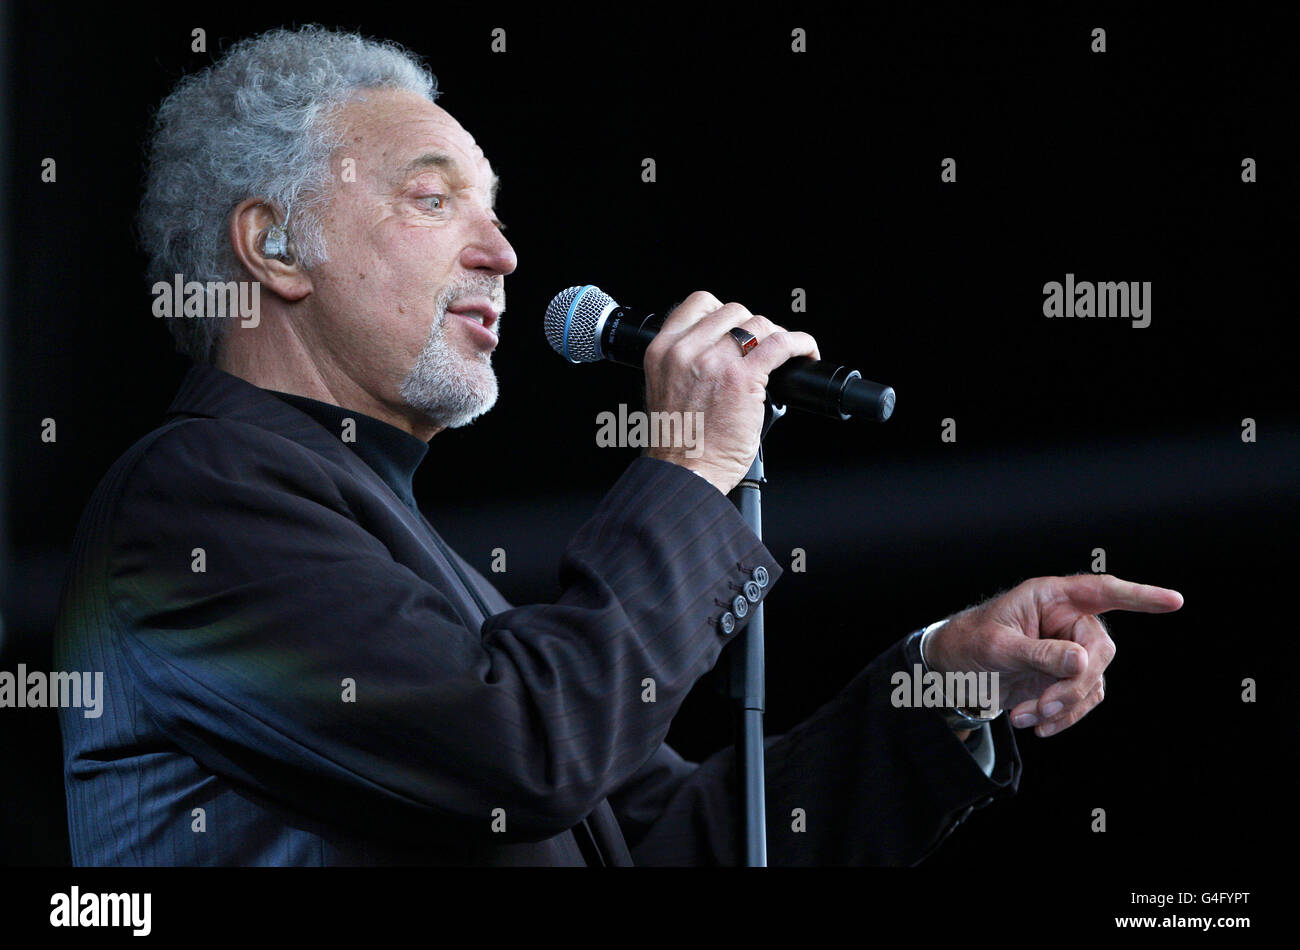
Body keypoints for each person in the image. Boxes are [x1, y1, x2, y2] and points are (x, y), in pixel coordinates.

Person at [54, 25, 1183, 866]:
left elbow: (663, 843)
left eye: (496, 210)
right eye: (435, 200)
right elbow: (525, 747)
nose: (500, 251)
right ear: (274, 245)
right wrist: (689, 464)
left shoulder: (381, 529)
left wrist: (936, 685)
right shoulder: (195, 495)